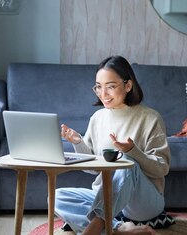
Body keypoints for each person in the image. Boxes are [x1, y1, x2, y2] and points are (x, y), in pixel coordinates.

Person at [56, 55, 171, 235]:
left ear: (128, 85)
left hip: (142, 203)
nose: (103, 94)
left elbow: (162, 168)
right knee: (56, 197)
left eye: (110, 87)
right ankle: (119, 229)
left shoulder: (150, 118)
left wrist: (133, 152)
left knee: (125, 160)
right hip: (107, 195)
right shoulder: (97, 118)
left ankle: (96, 227)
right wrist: (78, 142)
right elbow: (93, 169)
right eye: (98, 87)